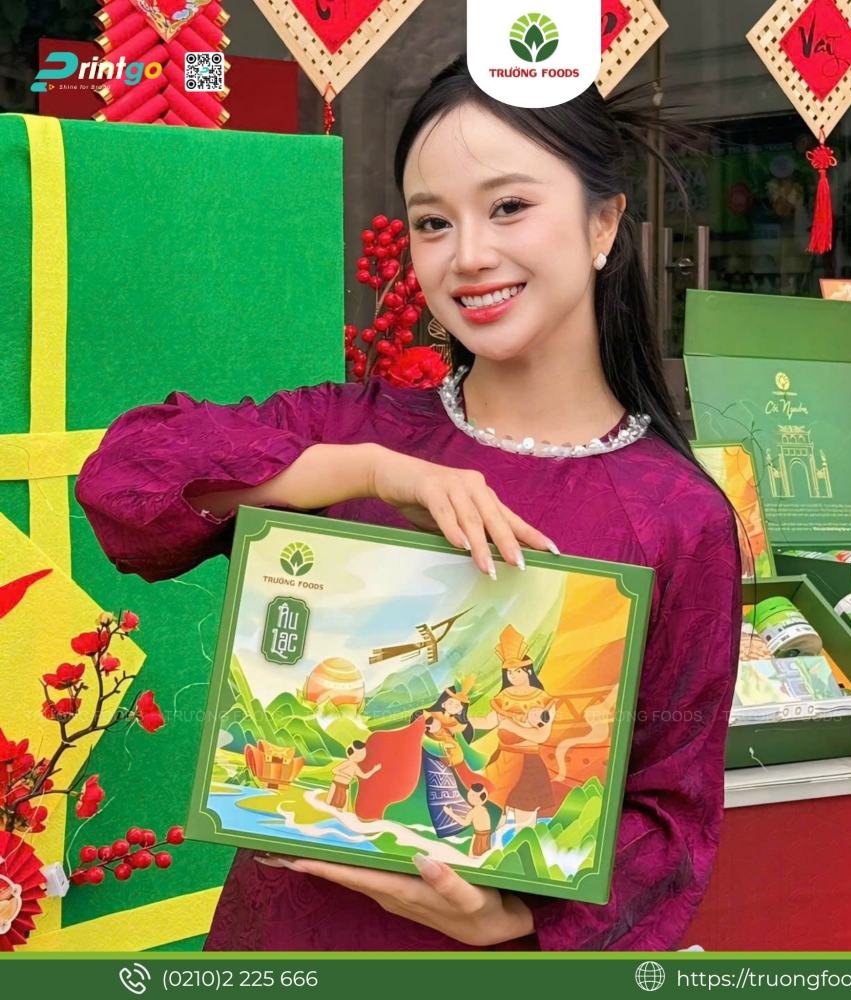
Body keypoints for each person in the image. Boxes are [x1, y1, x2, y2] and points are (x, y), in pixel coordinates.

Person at [76, 55, 741, 951]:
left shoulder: (678, 516)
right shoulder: (348, 430)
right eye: (433, 221)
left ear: (603, 223)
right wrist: (371, 471)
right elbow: (124, 482)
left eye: (509, 206)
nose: (468, 255)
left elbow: (671, 815)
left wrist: (506, 919)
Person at [470, 625, 556, 830]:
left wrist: (512, 726)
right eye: (509, 672)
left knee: (524, 817)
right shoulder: (504, 697)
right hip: (501, 758)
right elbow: (489, 722)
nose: (514, 676)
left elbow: (542, 736)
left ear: (528, 671)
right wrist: (461, 719)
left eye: (518, 671)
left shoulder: (543, 699)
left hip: (527, 761)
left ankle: (523, 845)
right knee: (494, 810)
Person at [325, 740, 381, 812]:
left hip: (345, 786)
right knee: (329, 802)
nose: (360, 756)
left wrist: (374, 770)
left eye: (362, 754)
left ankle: (344, 816)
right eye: (358, 754)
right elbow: (334, 770)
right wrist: (345, 775)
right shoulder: (348, 762)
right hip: (336, 784)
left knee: (344, 805)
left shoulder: (355, 767)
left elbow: (364, 776)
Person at [443, 784, 494, 859]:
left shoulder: (474, 812)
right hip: (487, 838)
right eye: (469, 793)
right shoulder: (484, 809)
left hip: (479, 837)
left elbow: (464, 823)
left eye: (472, 795)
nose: (469, 796)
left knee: (473, 858)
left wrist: (450, 813)